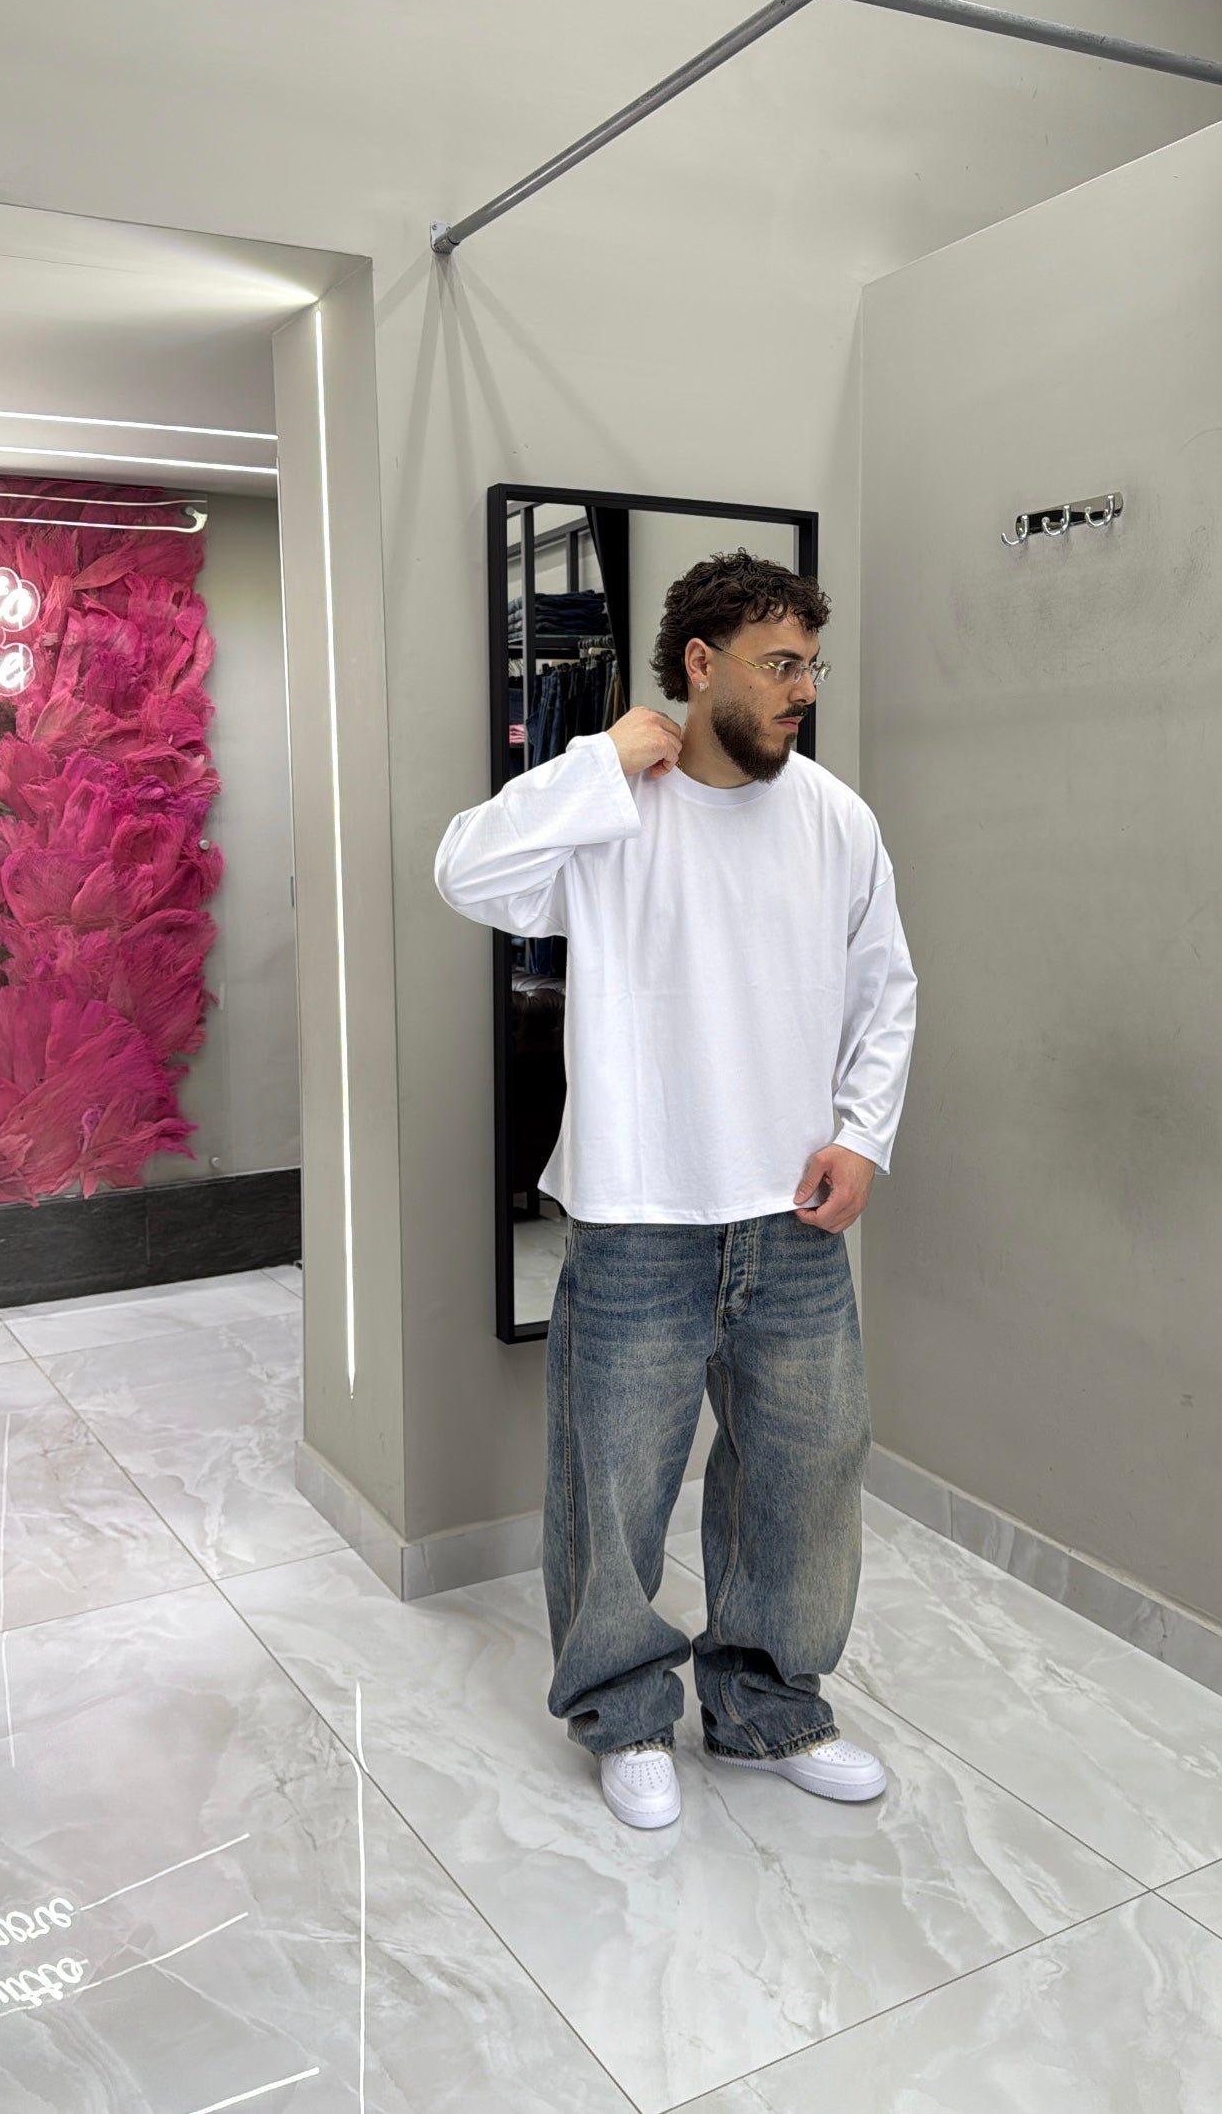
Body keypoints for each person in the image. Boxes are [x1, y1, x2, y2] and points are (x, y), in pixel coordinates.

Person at [434, 548, 917, 1829]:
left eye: (812, 665)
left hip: (793, 1214)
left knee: (804, 1473)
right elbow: (466, 874)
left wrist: (863, 1135)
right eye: (780, 664)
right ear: (700, 666)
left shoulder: (836, 818)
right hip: (638, 1211)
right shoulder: (611, 810)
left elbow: (884, 989)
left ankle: (768, 1705)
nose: (803, 688)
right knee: (614, 1486)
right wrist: (595, 762)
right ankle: (625, 1711)